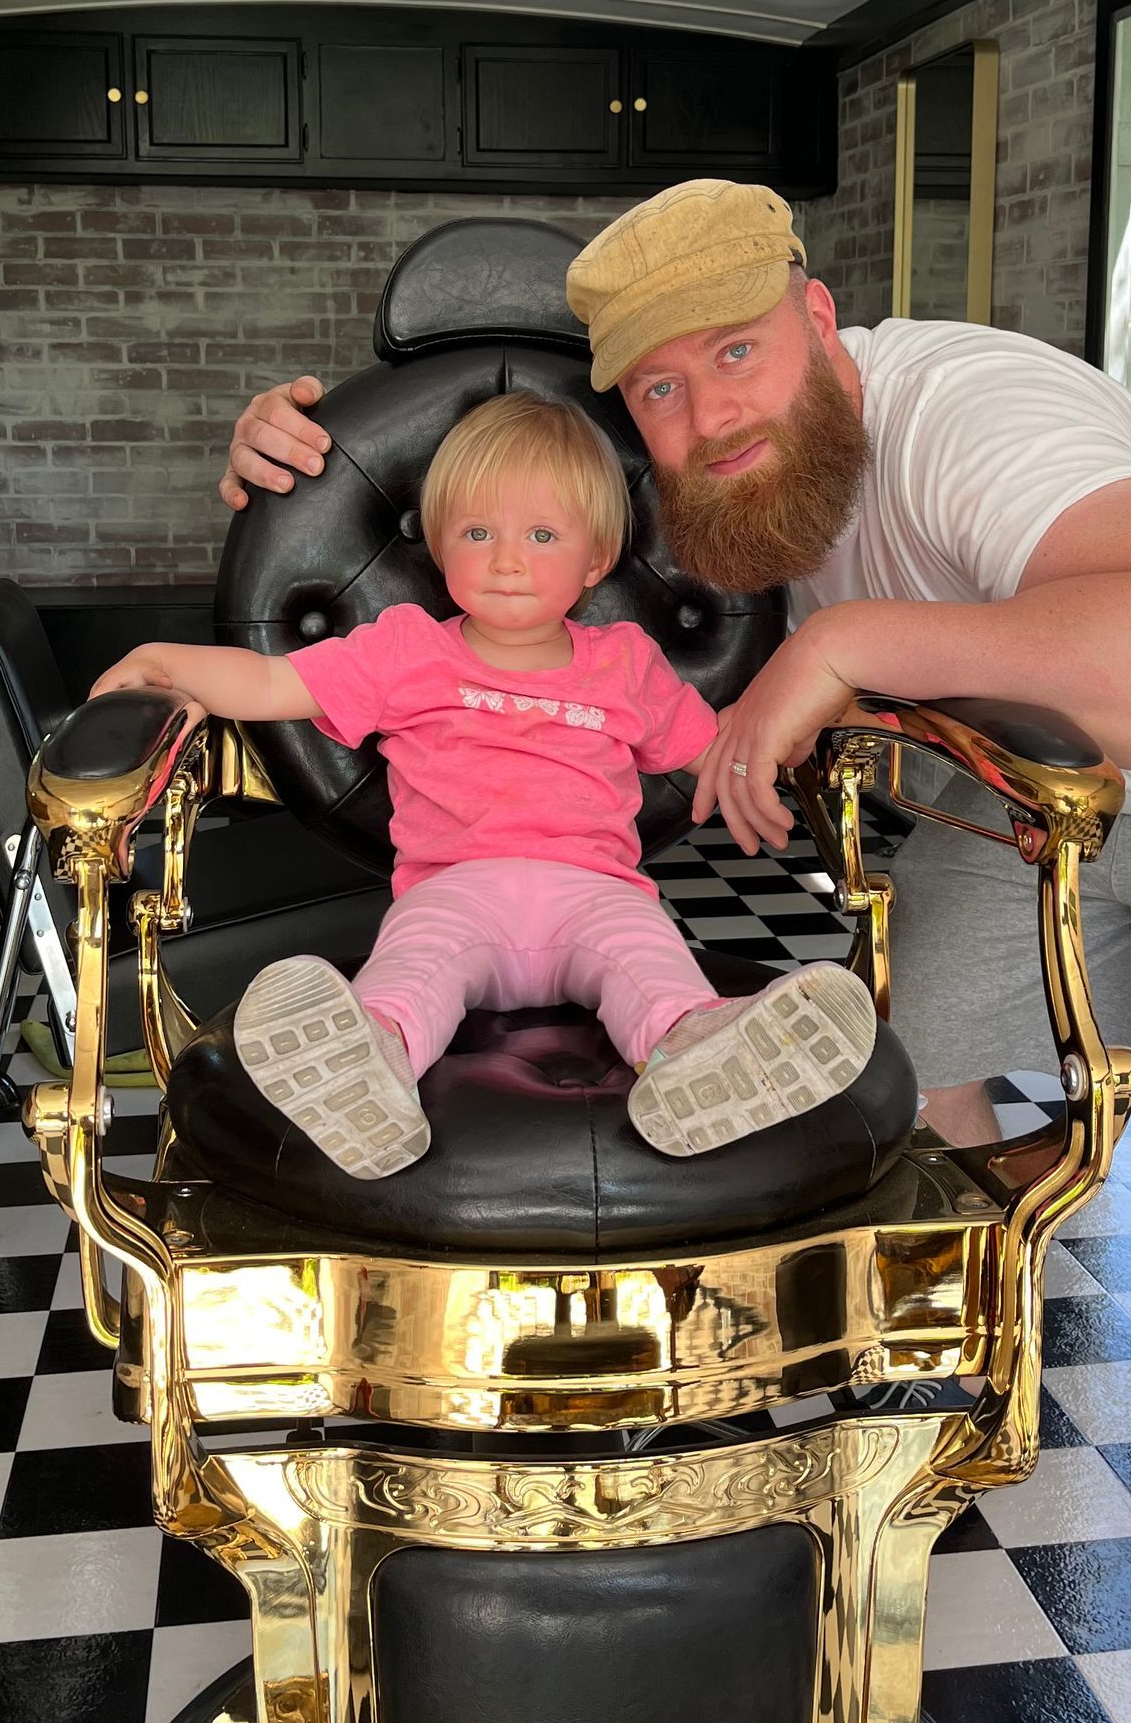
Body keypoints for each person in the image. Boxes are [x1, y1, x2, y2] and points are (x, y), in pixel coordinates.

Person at [222, 180, 1131, 1699]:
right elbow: (498, 487)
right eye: (663, 390)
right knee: (908, 1083)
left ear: (819, 318)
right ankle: (948, 1376)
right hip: (1057, 769)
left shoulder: (971, 415)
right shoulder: (714, 466)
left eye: (738, 354)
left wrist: (841, 640)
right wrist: (289, 453)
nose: (708, 413)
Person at [101, 388, 876, 1178]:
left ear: (596, 559)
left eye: (542, 535)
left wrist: (822, 699)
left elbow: (719, 748)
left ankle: (697, 1049)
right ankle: (370, 1062)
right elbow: (271, 686)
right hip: (454, 891)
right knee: (411, 973)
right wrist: (168, 663)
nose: (507, 558)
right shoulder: (406, 651)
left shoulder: (624, 662)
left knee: (650, 963)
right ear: (440, 545)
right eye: (479, 532)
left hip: (595, 892)